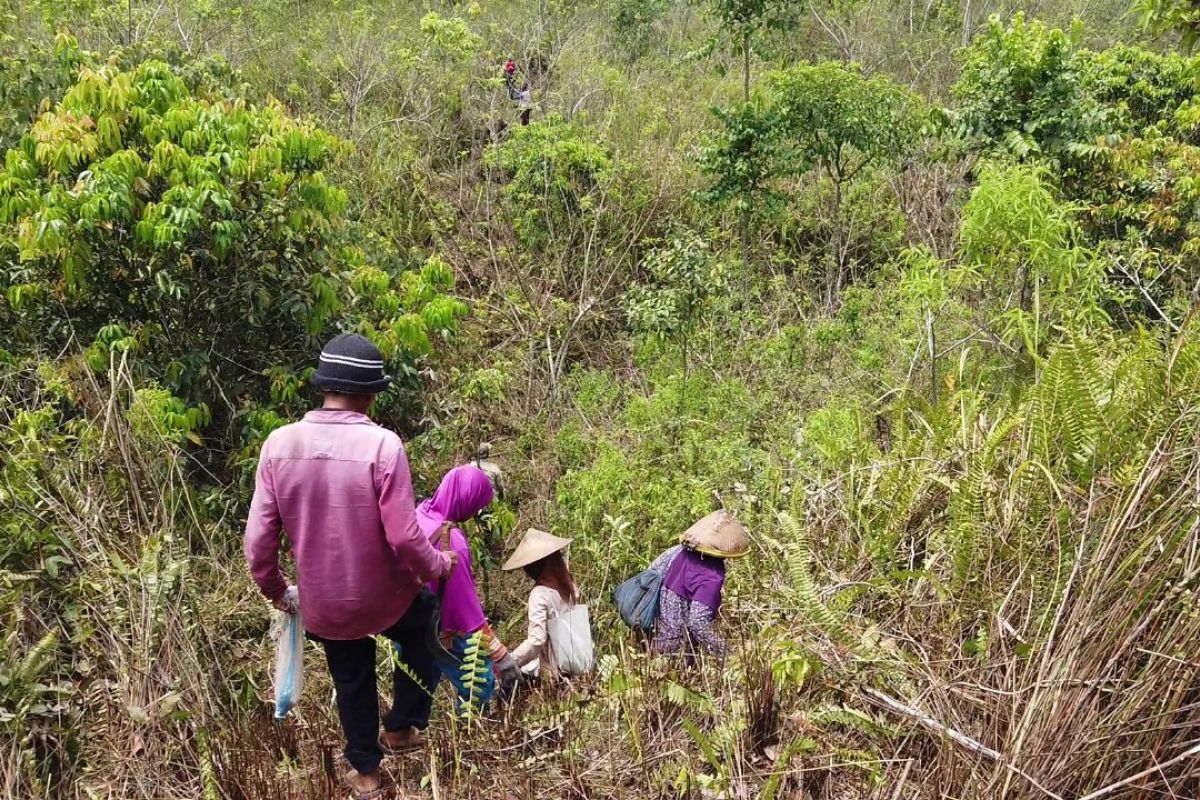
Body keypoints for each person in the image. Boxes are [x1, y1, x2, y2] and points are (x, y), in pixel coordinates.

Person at [244, 333, 457, 800]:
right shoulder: (383, 447)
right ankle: (402, 727)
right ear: (369, 394)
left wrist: (275, 589)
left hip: (325, 603)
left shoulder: (279, 444)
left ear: (325, 387)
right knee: (426, 630)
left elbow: (258, 539)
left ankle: (366, 774)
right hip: (386, 597)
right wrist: (439, 565)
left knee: (351, 676)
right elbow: (404, 537)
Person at [413, 464, 521, 712]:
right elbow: (467, 615)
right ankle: (470, 738)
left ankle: (408, 738)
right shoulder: (453, 542)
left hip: (407, 628)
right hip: (442, 633)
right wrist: (500, 655)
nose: (475, 512)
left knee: (416, 694)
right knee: (479, 687)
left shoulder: (417, 516)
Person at [648, 510, 749, 658]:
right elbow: (698, 623)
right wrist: (728, 653)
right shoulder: (711, 576)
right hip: (677, 651)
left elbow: (651, 574)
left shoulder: (675, 552)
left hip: (651, 635)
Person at [501, 528, 580, 680]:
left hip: (556, 672)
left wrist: (509, 661)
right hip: (577, 663)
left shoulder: (540, 594)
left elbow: (536, 640)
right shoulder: (570, 585)